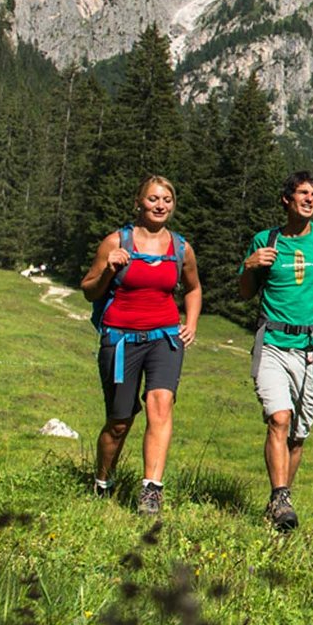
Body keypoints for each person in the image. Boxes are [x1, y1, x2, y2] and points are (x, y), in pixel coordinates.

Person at [79, 175, 200, 515]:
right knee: (119, 422)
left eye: (166, 200)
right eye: (153, 199)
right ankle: (103, 480)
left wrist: (189, 323)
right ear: (139, 202)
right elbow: (88, 289)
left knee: (160, 405)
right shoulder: (117, 242)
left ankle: (151, 490)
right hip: (119, 341)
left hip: (164, 339)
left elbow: (193, 288)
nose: (160, 205)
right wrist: (108, 270)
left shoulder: (180, 248)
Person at [239, 170, 313, 532]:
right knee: (279, 419)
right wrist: (249, 265)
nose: (310, 199)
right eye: (303, 193)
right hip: (272, 342)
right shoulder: (265, 241)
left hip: (312, 349)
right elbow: (244, 293)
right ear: (286, 199)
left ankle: (280, 501)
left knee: (298, 435)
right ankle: (280, 497)